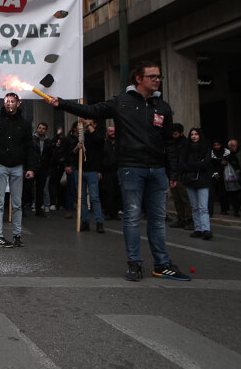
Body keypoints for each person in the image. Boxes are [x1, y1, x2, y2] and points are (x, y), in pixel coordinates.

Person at [50, 61, 190, 282]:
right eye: (152, 76)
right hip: (131, 169)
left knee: (157, 218)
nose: (157, 80)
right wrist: (62, 104)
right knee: (132, 217)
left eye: (159, 76)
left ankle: (162, 264)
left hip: (157, 170)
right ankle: (134, 264)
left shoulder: (162, 107)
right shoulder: (121, 102)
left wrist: (172, 172)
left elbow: (169, 143)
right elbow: (92, 110)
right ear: (139, 79)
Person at [0, 92, 35, 248]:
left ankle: (17, 235)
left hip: (17, 167)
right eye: (7, 101)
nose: (9, 104)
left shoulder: (24, 124)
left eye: (12, 101)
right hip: (0, 165)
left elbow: (29, 148)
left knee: (17, 203)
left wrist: (30, 168)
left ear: (18, 103)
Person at [179, 127, 213, 240]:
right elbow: (182, 164)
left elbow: (206, 164)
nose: (194, 136)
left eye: (196, 134)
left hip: (202, 181)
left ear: (200, 136)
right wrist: (197, 164)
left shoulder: (206, 149)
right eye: (192, 134)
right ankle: (198, 229)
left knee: (203, 207)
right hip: (190, 181)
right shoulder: (186, 149)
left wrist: (191, 164)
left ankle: (206, 229)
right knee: (194, 207)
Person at [71, 119, 104, 233]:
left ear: (94, 124)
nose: (87, 126)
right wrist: (77, 147)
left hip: (92, 170)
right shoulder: (82, 136)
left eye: (89, 124)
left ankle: (99, 222)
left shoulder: (97, 136)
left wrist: (90, 127)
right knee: (82, 198)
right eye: (86, 124)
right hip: (80, 170)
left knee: (94, 198)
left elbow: (100, 142)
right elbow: (72, 153)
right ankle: (85, 221)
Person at [168, 123, 193, 229]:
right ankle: (181, 218)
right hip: (173, 174)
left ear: (181, 133)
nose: (174, 136)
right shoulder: (171, 143)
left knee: (185, 198)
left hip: (182, 175)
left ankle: (189, 220)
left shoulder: (186, 144)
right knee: (176, 198)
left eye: (176, 134)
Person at [31, 122, 52, 217]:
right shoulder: (32, 139)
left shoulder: (48, 141)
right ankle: (22, 208)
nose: (41, 130)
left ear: (46, 130)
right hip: (32, 167)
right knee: (28, 187)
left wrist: (48, 169)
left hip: (43, 168)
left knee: (40, 189)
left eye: (43, 128)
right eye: (39, 128)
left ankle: (39, 209)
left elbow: (50, 156)